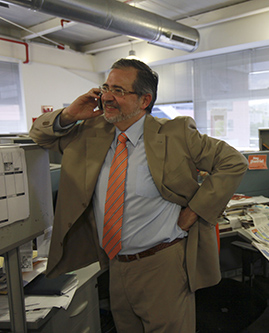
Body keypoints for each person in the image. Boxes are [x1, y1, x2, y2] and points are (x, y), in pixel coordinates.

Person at [29, 58, 248, 332]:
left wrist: (194, 212)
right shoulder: (89, 133)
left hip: (163, 263)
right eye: (105, 87)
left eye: (118, 91)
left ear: (145, 100)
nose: (107, 97)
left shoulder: (175, 133)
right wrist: (69, 115)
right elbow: (39, 136)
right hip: (114, 265)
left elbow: (234, 162)